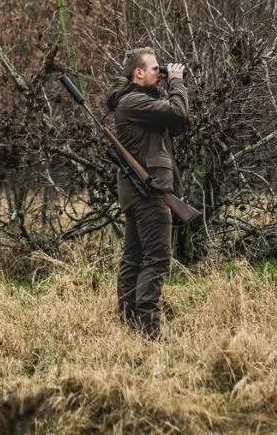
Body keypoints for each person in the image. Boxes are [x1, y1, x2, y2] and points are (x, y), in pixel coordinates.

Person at [105, 48, 188, 338]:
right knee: (157, 257)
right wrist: (177, 82)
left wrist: (166, 87)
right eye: (155, 68)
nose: (160, 72)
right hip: (148, 193)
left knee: (135, 256)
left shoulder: (135, 102)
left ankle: (129, 325)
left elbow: (175, 124)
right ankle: (149, 330)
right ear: (138, 73)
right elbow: (179, 113)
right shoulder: (134, 102)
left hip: (140, 192)